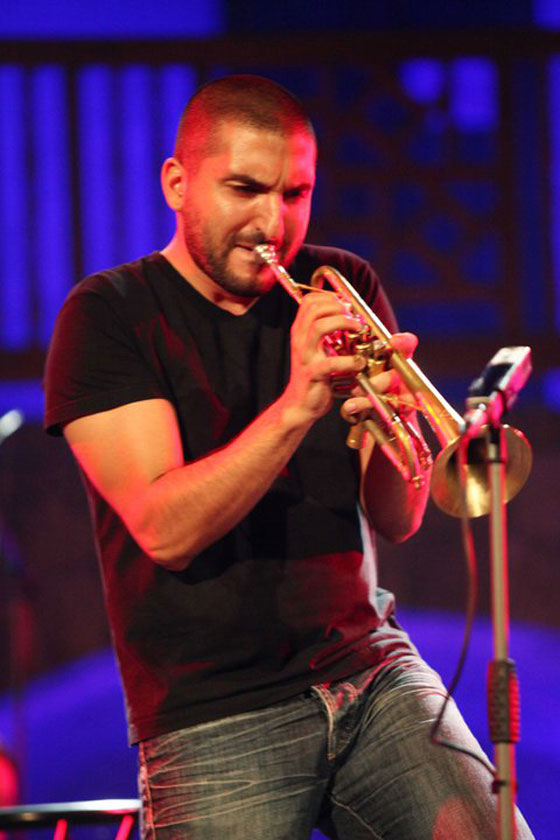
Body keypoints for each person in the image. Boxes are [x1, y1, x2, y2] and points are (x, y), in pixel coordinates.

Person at [44, 75, 533, 839]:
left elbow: (397, 519)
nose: (273, 223)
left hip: (371, 670)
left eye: (294, 193)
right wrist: (299, 405)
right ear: (177, 184)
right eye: (245, 189)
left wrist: (395, 425)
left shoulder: (344, 286)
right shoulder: (109, 316)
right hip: (213, 714)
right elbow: (165, 528)